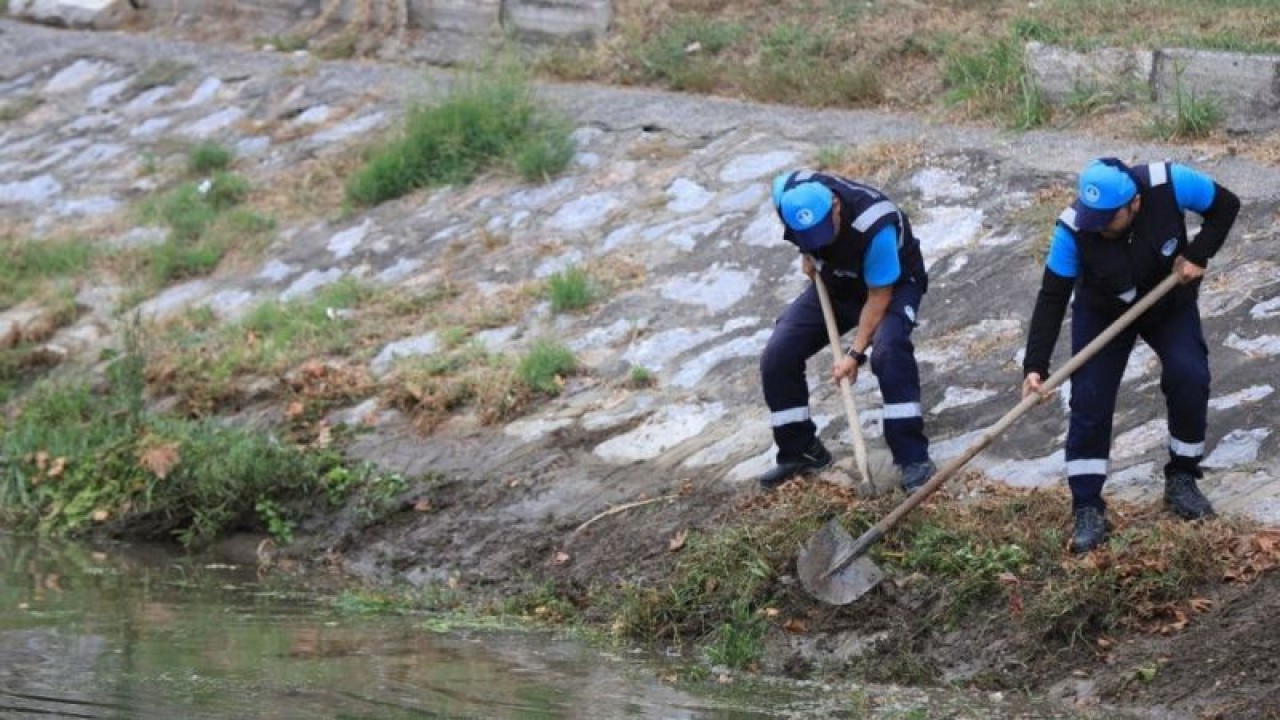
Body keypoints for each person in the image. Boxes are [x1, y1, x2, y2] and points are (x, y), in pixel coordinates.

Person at [1021, 157, 1240, 553]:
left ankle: (1182, 478)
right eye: (1094, 218)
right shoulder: (1073, 227)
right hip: (1102, 311)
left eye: (1108, 218)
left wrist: (1198, 254)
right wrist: (1035, 365)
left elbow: (1226, 205)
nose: (1099, 226)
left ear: (1135, 203)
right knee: (1089, 399)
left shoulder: (1169, 182)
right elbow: (1052, 296)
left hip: (1167, 302)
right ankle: (1087, 506)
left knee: (1190, 374)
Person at [758, 169, 935, 493]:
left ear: (836, 207)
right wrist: (806, 251)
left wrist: (854, 354)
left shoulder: (875, 226)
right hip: (836, 282)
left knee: (888, 351)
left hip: (892, 286)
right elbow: (788, 200)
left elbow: (878, 298)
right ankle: (801, 450)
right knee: (779, 353)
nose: (819, 243)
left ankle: (913, 458)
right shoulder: (788, 192)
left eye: (823, 234)